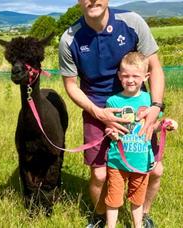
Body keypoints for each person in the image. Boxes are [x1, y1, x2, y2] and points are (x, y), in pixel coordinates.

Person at [58, 1, 165, 227]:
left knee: (155, 170)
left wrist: (155, 107)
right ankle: (99, 217)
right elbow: (70, 85)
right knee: (99, 176)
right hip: (96, 108)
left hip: (138, 108)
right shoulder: (69, 39)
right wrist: (98, 113)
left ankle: (143, 216)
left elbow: (154, 67)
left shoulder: (133, 22)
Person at [104, 52, 178, 228]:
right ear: (119, 76)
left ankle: (138, 225)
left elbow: (154, 126)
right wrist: (111, 133)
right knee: (113, 200)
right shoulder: (112, 101)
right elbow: (109, 128)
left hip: (142, 162)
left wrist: (166, 124)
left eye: (135, 76)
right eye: (126, 75)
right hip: (117, 162)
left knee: (138, 199)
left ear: (146, 76)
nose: (130, 80)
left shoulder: (151, 101)